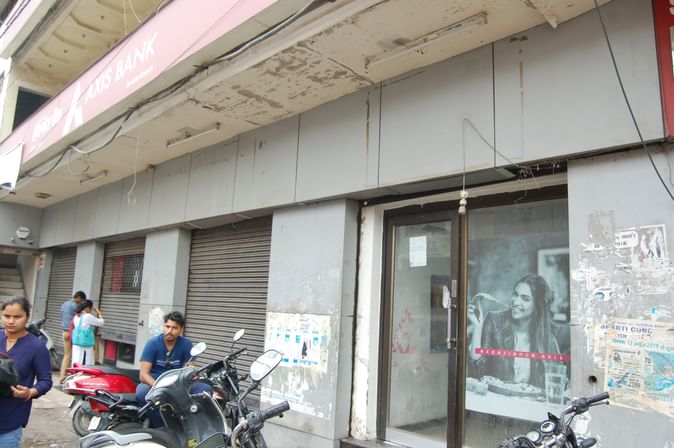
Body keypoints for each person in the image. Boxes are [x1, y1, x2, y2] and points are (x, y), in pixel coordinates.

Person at [467, 274, 561, 389]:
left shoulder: (546, 333)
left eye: (525, 299)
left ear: (537, 305)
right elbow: (479, 370)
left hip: (530, 399)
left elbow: (559, 376)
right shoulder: (495, 321)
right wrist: (477, 326)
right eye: (515, 295)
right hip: (497, 396)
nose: (516, 302)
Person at [136, 311, 208, 427]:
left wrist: (191, 373)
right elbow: (143, 375)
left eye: (174, 328)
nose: (169, 331)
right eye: (167, 326)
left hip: (177, 381)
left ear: (181, 329)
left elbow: (189, 367)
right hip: (155, 380)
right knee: (142, 393)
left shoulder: (186, 344)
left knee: (204, 390)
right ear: (163, 326)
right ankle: (161, 427)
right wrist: (160, 388)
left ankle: (192, 425)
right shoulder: (152, 343)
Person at [0, 296, 53, 447]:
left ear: (27, 317)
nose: (11, 321)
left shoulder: (36, 347)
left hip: (10, 419)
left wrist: (29, 392)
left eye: (17, 317)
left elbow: (45, 381)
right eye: (7, 316)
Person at [59, 291, 85, 382]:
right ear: (79, 297)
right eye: (82, 301)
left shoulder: (64, 304)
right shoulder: (75, 306)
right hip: (72, 333)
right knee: (75, 354)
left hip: (64, 332)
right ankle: (72, 375)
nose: (81, 303)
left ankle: (62, 375)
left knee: (67, 355)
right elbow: (81, 316)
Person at [70, 300, 104, 367]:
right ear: (87, 307)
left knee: (76, 361)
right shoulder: (87, 316)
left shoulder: (76, 316)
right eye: (91, 308)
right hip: (86, 343)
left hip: (77, 341)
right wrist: (99, 313)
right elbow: (101, 323)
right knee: (87, 361)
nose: (91, 310)